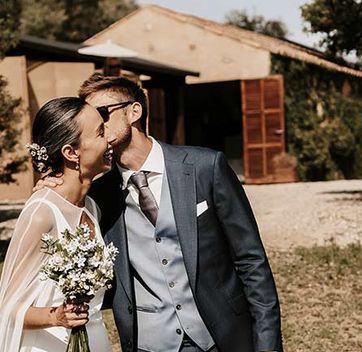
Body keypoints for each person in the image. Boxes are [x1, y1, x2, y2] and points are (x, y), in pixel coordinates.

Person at [38, 74, 282, 352]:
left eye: (102, 114)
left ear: (134, 111)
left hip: (219, 337)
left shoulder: (205, 167)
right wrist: (53, 190)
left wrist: (267, 346)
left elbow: (252, 262)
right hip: (150, 344)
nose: (96, 125)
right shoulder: (99, 195)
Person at [0, 97, 115, 352]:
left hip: (95, 339)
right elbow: (7, 307)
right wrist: (57, 317)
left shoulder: (90, 207)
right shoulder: (42, 213)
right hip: (51, 345)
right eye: (100, 132)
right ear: (70, 152)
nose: (109, 139)